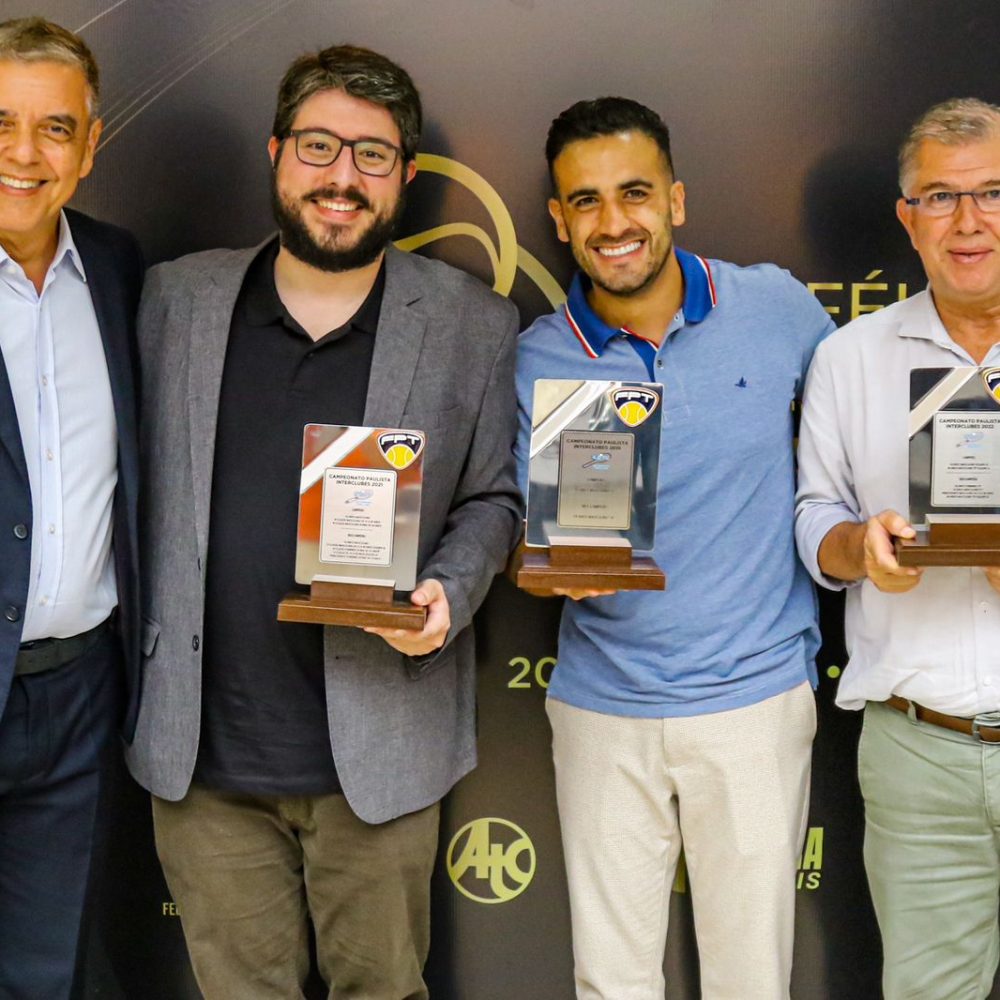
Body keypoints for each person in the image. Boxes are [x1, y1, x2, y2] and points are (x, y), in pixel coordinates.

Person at [125, 44, 521, 1000]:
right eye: (318, 146)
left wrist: (449, 590)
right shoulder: (174, 300)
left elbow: (494, 498)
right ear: (276, 153)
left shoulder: (472, 323)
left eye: (371, 154)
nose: (342, 177)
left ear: (405, 175)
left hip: (380, 750)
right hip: (203, 757)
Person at [514, 97, 835, 999]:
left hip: (753, 698)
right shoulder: (536, 357)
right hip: (601, 707)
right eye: (586, 201)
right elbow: (507, 537)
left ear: (676, 200)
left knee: (752, 981)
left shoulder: (775, 307)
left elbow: (861, 437)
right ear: (558, 220)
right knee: (610, 982)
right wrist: (545, 569)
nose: (613, 222)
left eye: (635, 193)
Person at [796, 97, 1000, 1000]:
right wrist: (859, 548)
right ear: (907, 218)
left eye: (993, 192)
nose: (970, 221)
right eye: (941, 197)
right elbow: (815, 517)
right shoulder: (849, 357)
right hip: (919, 751)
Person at [0, 16, 143, 1000]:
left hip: (79, 696)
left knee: (49, 979)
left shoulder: (119, 269)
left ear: (90, 147)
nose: (24, 153)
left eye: (54, 128)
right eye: (1, 122)